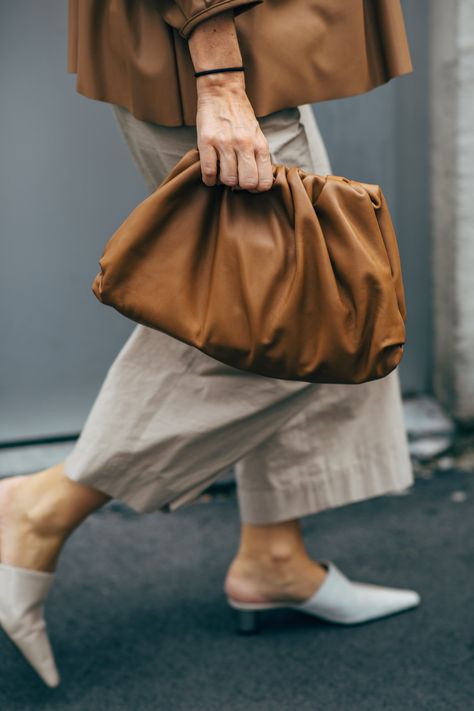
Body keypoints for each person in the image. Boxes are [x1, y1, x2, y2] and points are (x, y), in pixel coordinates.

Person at [0, 0, 420, 688]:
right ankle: (42, 506)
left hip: (239, 43)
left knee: (273, 302)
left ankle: (274, 556)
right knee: (310, 314)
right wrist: (218, 68)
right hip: (215, 45)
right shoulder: (218, 59)